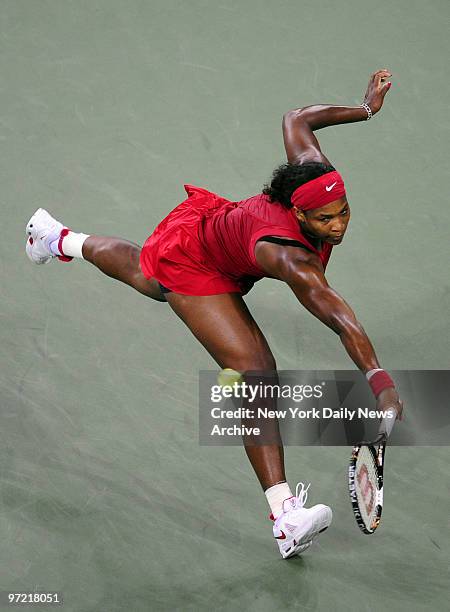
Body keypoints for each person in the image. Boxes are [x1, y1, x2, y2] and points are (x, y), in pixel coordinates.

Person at [25, 69, 403, 559]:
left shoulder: (314, 173)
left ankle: (57, 239)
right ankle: (285, 516)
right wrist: (378, 378)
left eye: (344, 212)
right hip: (199, 259)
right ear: (300, 214)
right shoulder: (289, 257)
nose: (338, 227)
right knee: (256, 372)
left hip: (219, 237)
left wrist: (365, 108)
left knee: (148, 277)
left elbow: (298, 119)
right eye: (325, 220)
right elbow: (338, 316)